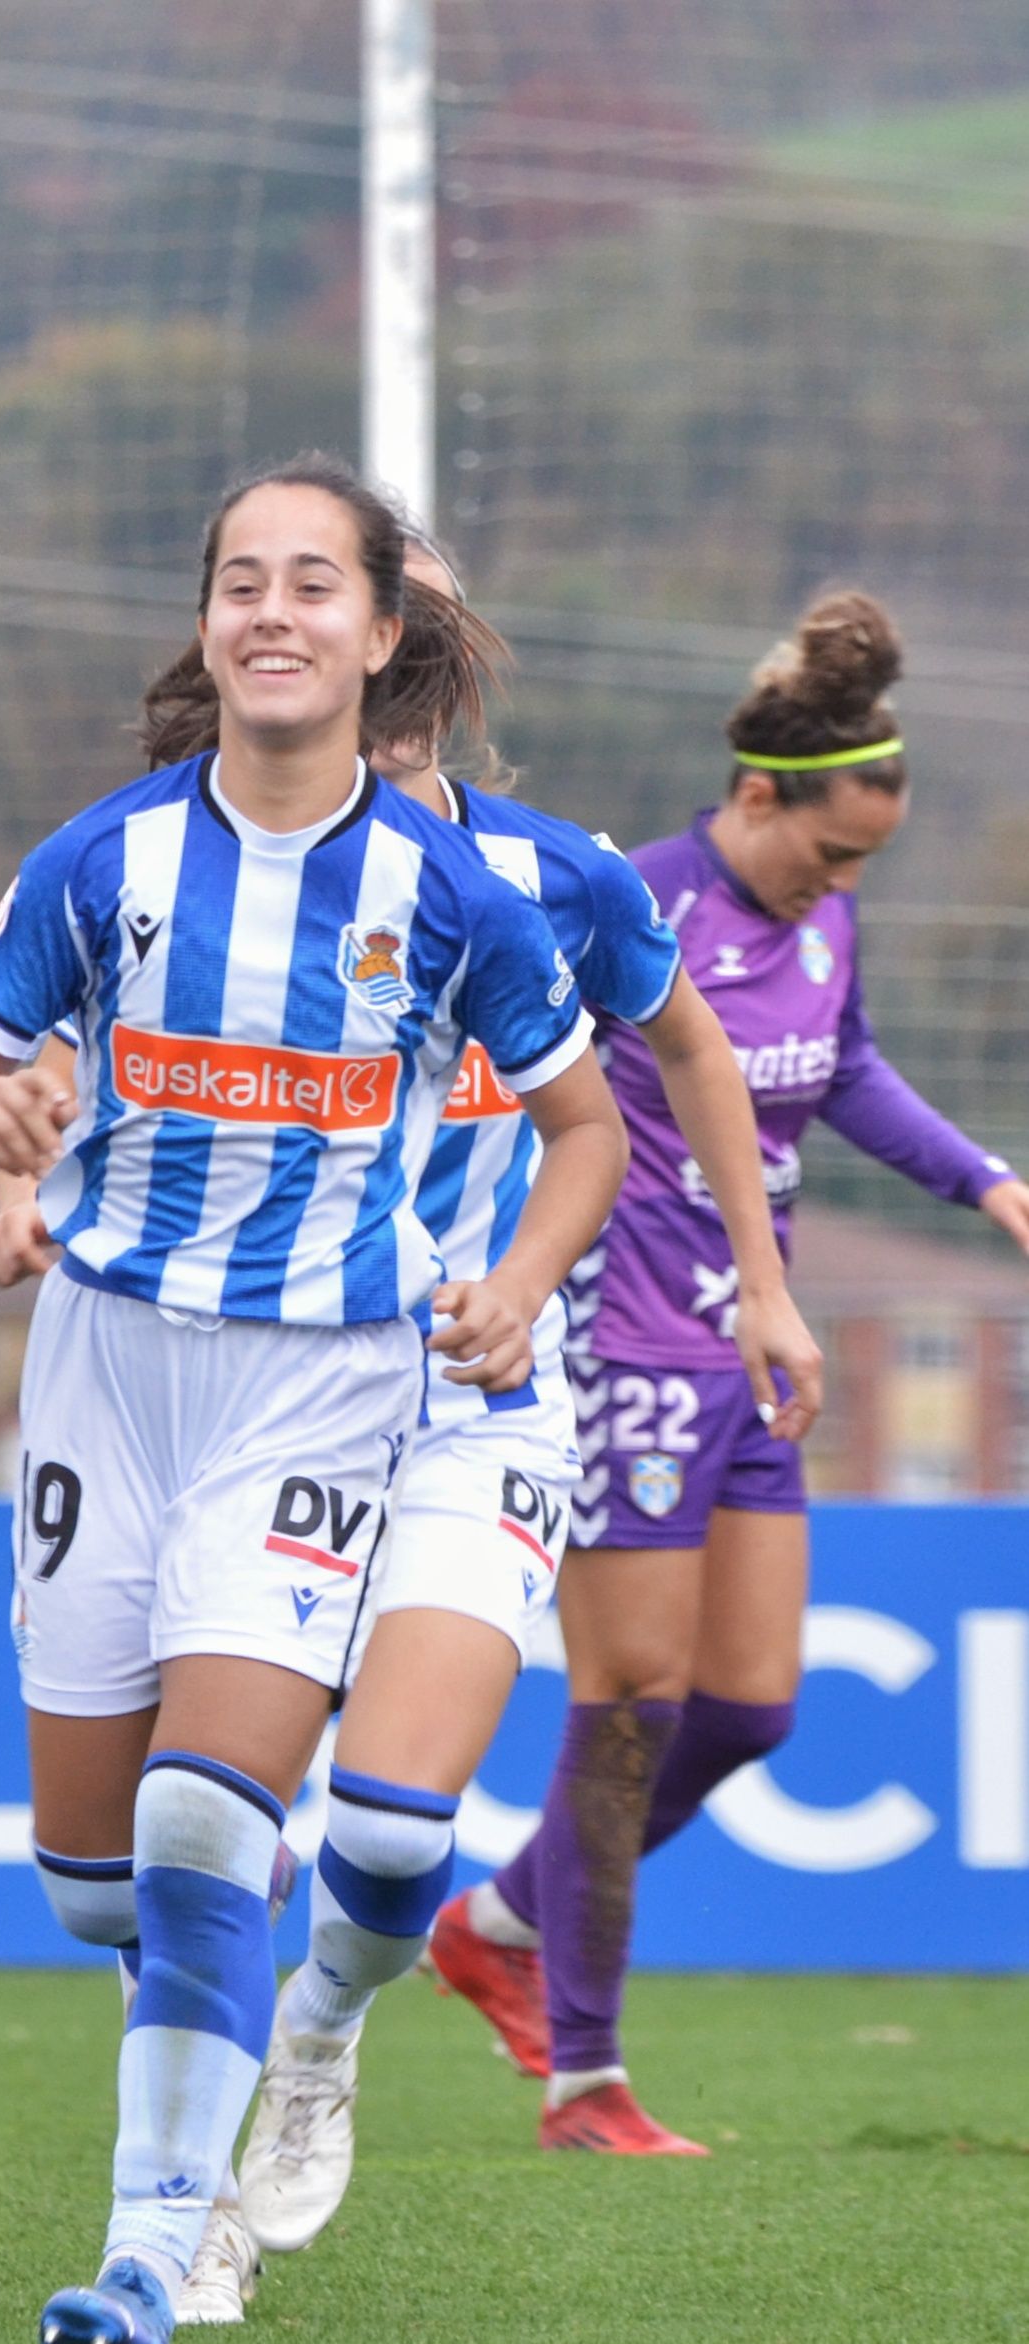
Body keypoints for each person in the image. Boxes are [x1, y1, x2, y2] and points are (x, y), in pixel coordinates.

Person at [0, 553, 824, 2275]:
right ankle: (191, 2201)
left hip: (471, 1394)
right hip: (268, 1374)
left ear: (415, 654)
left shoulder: (548, 880)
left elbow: (685, 1054)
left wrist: (759, 1278)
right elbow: (100, 1075)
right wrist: (25, 1186)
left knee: (380, 1831)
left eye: (386, 609)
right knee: (164, 1843)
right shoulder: (193, 868)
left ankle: (316, 2038)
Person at [0, 454, 621, 2344]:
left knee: (209, 1816)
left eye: (314, 583)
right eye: (241, 581)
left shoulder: (451, 895)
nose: (272, 612)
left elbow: (586, 1128)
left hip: (323, 1380)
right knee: (94, 1880)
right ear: (206, 623)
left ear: (379, 636)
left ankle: (146, 2255)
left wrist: (520, 1280)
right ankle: (226, 1997)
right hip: (104, 1371)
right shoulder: (103, 862)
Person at [423, 590, 1029, 2147]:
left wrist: (985, 1181)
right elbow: (497, 1062)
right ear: (756, 796)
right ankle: (587, 2076)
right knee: (630, 1700)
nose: (841, 887)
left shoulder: (822, 921)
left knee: (750, 1710)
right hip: (619, 1342)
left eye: (864, 867)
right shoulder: (631, 904)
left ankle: (498, 1923)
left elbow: (847, 1071)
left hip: (752, 1339)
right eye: (829, 854)